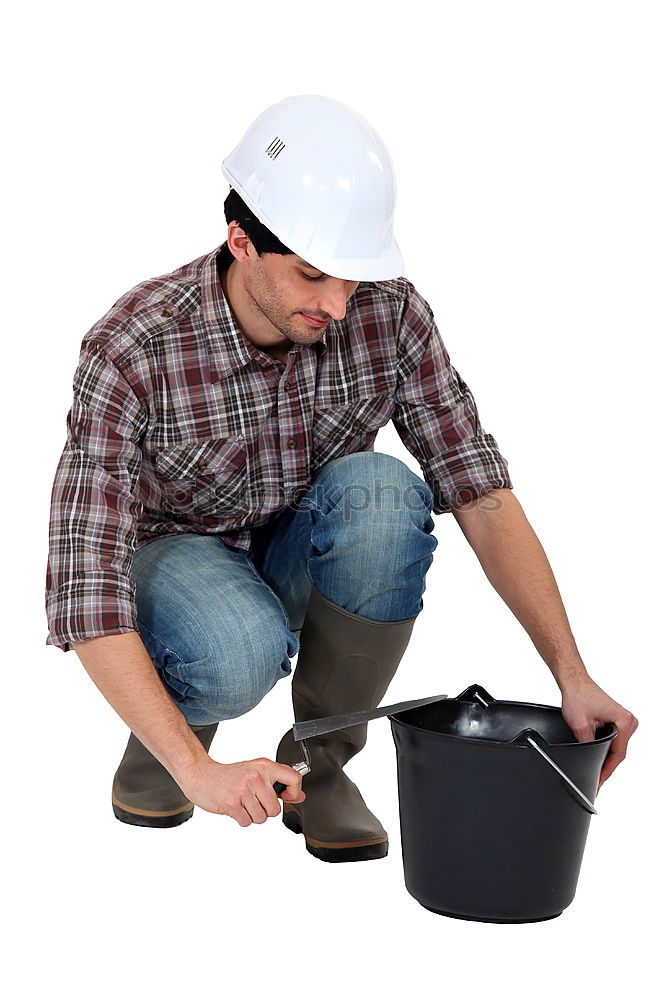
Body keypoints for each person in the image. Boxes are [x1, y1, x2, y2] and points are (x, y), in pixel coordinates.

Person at [45, 94, 637, 862]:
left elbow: (480, 493)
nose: (336, 304)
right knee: (234, 651)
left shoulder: (388, 313)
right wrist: (197, 773)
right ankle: (172, 738)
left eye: (351, 278)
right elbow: (82, 584)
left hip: (303, 544)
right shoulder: (134, 346)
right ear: (241, 242)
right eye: (313, 274)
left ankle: (320, 769)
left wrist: (571, 673)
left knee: (385, 490)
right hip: (179, 563)